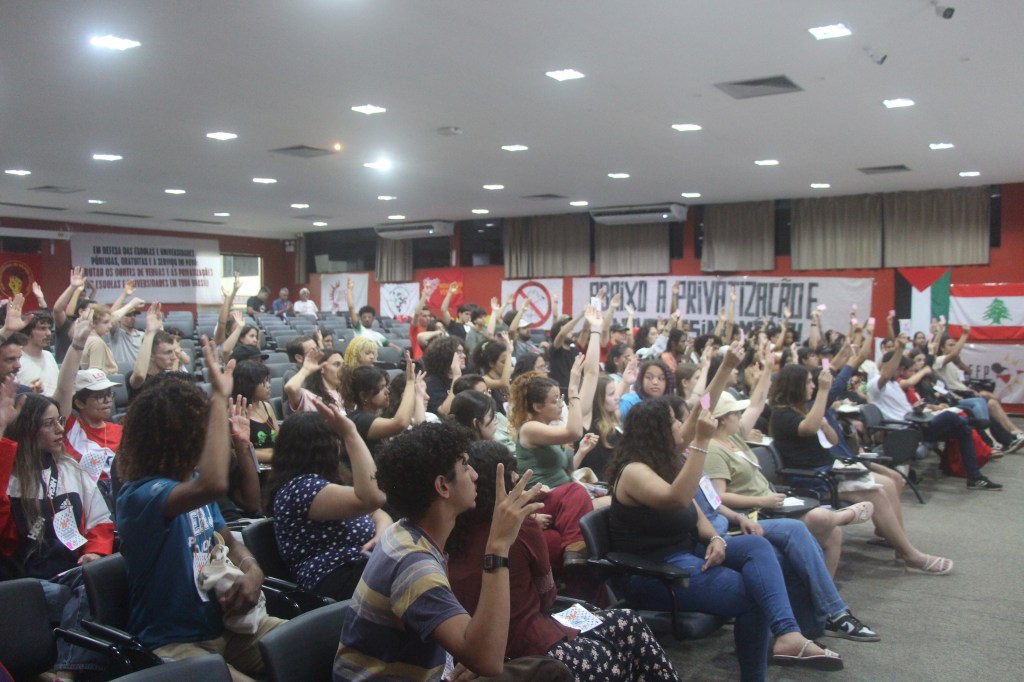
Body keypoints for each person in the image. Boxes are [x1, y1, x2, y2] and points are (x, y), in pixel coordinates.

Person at [608, 399, 843, 680]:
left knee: (758, 544)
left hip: (687, 554)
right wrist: (701, 442)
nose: (680, 425)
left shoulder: (665, 464)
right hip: (655, 574)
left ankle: (788, 633)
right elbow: (677, 499)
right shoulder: (634, 471)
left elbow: (695, 514)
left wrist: (716, 537)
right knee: (755, 595)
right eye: (673, 421)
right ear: (656, 431)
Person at [116, 340, 283, 681]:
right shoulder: (140, 495)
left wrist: (253, 571)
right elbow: (214, 483)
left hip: (228, 628)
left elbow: (228, 541)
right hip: (175, 643)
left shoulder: (192, 482)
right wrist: (219, 398)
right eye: (201, 432)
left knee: (316, 648)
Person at [448, 441, 681, 681]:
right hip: (537, 650)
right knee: (625, 637)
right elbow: (547, 595)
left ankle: (576, 554)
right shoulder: (520, 529)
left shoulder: (449, 536)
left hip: (492, 652)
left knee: (626, 621)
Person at [333, 422, 545, 681]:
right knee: (549, 672)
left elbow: (473, 650)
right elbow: (488, 661)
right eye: (465, 466)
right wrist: (498, 546)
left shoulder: (403, 532)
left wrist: (461, 656)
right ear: (443, 486)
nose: (475, 475)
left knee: (545, 670)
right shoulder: (414, 566)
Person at [770, 364, 954, 574]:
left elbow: (832, 440)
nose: (813, 386)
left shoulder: (801, 410)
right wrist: (823, 392)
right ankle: (910, 555)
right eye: (809, 383)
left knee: (889, 483)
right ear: (795, 386)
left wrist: (825, 425)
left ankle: (898, 544)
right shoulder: (782, 414)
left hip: (828, 469)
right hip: (812, 479)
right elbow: (810, 428)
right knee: (876, 493)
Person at [509, 305, 603, 570]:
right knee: (577, 491)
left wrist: (596, 330)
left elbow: (592, 375)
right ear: (538, 406)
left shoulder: (552, 424)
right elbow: (574, 431)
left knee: (615, 503)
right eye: (555, 400)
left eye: (561, 398)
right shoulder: (529, 429)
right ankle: (577, 554)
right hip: (545, 501)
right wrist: (572, 387)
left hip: (564, 497)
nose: (562, 404)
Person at [265, 406, 389, 600]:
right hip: (335, 577)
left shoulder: (322, 483)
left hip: (361, 566)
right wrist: (350, 433)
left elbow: (376, 511)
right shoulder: (301, 489)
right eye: (335, 438)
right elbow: (374, 499)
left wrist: (382, 532)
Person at [870, 338, 1003, 491]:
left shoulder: (894, 385)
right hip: (906, 431)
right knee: (950, 417)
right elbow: (886, 375)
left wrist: (919, 408)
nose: (901, 372)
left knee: (964, 430)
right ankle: (973, 423)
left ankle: (975, 477)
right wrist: (900, 348)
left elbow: (903, 409)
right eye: (899, 368)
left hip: (916, 424)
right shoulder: (876, 384)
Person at [341, 360, 422, 453]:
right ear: (363, 396)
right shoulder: (359, 420)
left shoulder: (374, 415)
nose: (387, 391)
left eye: (386, 386)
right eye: (381, 388)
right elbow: (400, 424)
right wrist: (410, 382)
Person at [233, 361, 278, 463]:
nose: (268, 385)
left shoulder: (267, 406)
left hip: (275, 462)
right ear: (249, 385)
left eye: (267, 380)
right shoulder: (237, 411)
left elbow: (279, 439)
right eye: (263, 382)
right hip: (255, 466)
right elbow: (237, 452)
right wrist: (278, 457)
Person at [284, 347, 345, 413]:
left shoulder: (344, 394)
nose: (343, 369)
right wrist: (306, 369)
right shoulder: (309, 396)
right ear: (322, 368)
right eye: (336, 364)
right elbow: (291, 387)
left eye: (344, 365)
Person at [16, 310, 59, 395]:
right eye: (42, 328)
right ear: (27, 332)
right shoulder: (17, 360)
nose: (49, 333)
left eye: (49, 328)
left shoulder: (49, 355)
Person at [422, 336, 467, 415]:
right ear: (446, 355)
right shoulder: (431, 383)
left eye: (463, 352)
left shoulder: (465, 377)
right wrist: (456, 376)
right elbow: (444, 413)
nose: (464, 356)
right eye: (458, 352)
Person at [473, 334, 513, 416]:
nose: (507, 366)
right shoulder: (484, 380)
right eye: (504, 362)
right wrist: (509, 353)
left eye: (508, 362)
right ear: (491, 363)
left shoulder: (505, 377)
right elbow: (503, 383)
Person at [346, 279, 389, 347]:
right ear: (360, 318)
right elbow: (351, 308)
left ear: (373, 318)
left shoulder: (377, 335)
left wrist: (402, 351)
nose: (367, 319)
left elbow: (391, 345)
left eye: (369, 317)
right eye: (364, 317)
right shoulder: (358, 329)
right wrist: (349, 289)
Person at [79, 304, 118, 375]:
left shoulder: (85, 339)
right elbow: (95, 373)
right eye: (105, 322)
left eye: (110, 322)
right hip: (107, 379)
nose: (110, 326)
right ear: (93, 323)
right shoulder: (96, 342)